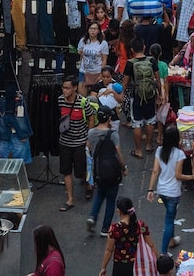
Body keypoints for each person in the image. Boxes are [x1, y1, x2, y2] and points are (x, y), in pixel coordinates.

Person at [147, 124, 187, 253]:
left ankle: (172, 239)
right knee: (169, 220)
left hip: (162, 190)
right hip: (173, 192)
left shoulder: (159, 151)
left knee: (171, 215)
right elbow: (178, 175)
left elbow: (155, 171)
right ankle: (163, 252)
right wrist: (193, 176)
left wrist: (150, 189)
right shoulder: (180, 154)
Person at [87, 109, 125, 234]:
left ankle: (92, 216)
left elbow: (91, 149)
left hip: (98, 171)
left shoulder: (91, 133)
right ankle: (105, 228)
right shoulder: (113, 134)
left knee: (99, 195)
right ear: (109, 118)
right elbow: (118, 153)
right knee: (110, 200)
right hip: (113, 172)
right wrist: (123, 167)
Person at [58, 77, 93, 210]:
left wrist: (88, 138)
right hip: (65, 142)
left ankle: (88, 185)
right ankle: (70, 199)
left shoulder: (83, 102)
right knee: (66, 171)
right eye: (63, 87)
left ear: (74, 88)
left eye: (67, 88)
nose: (64, 90)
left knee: (80, 171)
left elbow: (91, 117)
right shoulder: (60, 100)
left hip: (79, 142)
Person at [100, 196, 156, 276]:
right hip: (138, 263)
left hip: (120, 266)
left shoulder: (115, 229)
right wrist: (157, 260)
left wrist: (103, 267)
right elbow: (151, 245)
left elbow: (109, 250)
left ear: (118, 211)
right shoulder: (141, 226)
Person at [124, 40, 161, 158]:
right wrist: (159, 94)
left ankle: (139, 150)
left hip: (137, 95)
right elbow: (158, 80)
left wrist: (122, 95)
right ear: (144, 47)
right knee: (150, 120)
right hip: (150, 94)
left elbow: (125, 83)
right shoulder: (152, 60)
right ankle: (149, 145)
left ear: (132, 50)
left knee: (137, 123)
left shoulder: (130, 63)